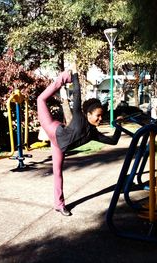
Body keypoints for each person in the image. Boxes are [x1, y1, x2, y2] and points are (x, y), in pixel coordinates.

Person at [37, 63, 121, 216]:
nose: (100, 119)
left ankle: (59, 205)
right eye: (98, 116)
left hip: (59, 147)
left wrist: (119, 127)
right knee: (40, 100)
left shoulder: (93, 133)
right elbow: (77, 93)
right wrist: (74, 75)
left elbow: (113, 141)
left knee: (57, 173)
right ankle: (64, 77)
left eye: (102, 116)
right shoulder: (77, 115)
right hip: (53, 129)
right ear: (88, 115)